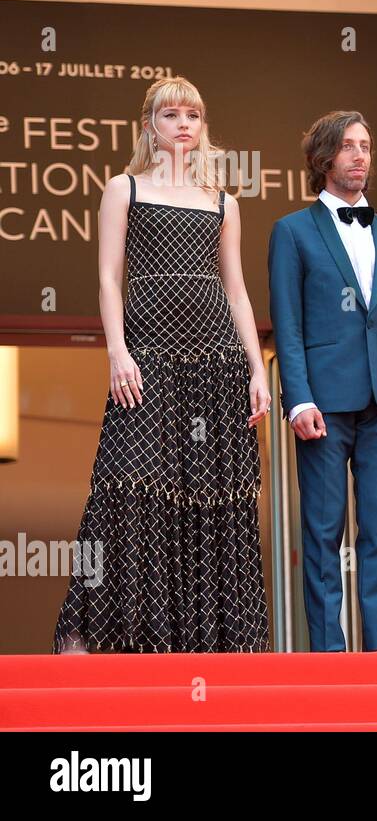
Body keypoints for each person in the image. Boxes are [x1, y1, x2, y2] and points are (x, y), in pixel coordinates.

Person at [53, 76, 270, 653]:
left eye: (193, 115)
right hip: (146, 361)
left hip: (216, 365)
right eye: (170, 114)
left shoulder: (224, 201)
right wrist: (117, 352)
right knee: (126, 484)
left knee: (211, 494)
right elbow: (107, 279)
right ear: (150, 125)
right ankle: (99, 636)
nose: (183, 124)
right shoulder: (123, 188)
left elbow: (238, 291)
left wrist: (255, 368)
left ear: (202, 128)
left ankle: (207, 649)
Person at [269, 111, 377, 652]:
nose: (360, 156)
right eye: (348, 147)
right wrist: (298, 399)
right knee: (322, 532)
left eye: (367, 145)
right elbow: (287, 325)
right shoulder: (291, 231)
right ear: (323, 159)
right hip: (324, 403)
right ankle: (328, 655)